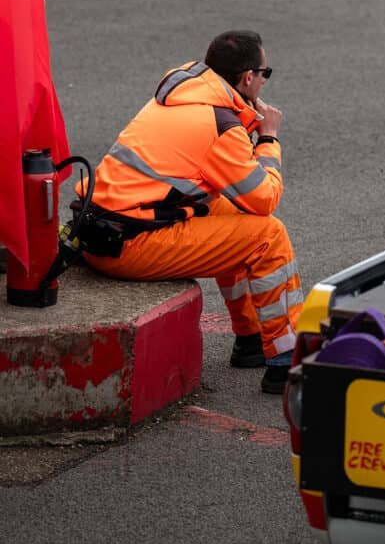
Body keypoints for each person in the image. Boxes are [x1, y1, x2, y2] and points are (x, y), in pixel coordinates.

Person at [75, 30, 302, 394]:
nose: (263, 80)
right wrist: (269, 140)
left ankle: (250, 340)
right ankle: (286, 361)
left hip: (104, 233)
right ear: (248, 78)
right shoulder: (220, 126)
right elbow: (264, 198)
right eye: (265, 73)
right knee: (268, 235)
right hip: (130, 245)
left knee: (228, 212)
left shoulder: (187, 91)